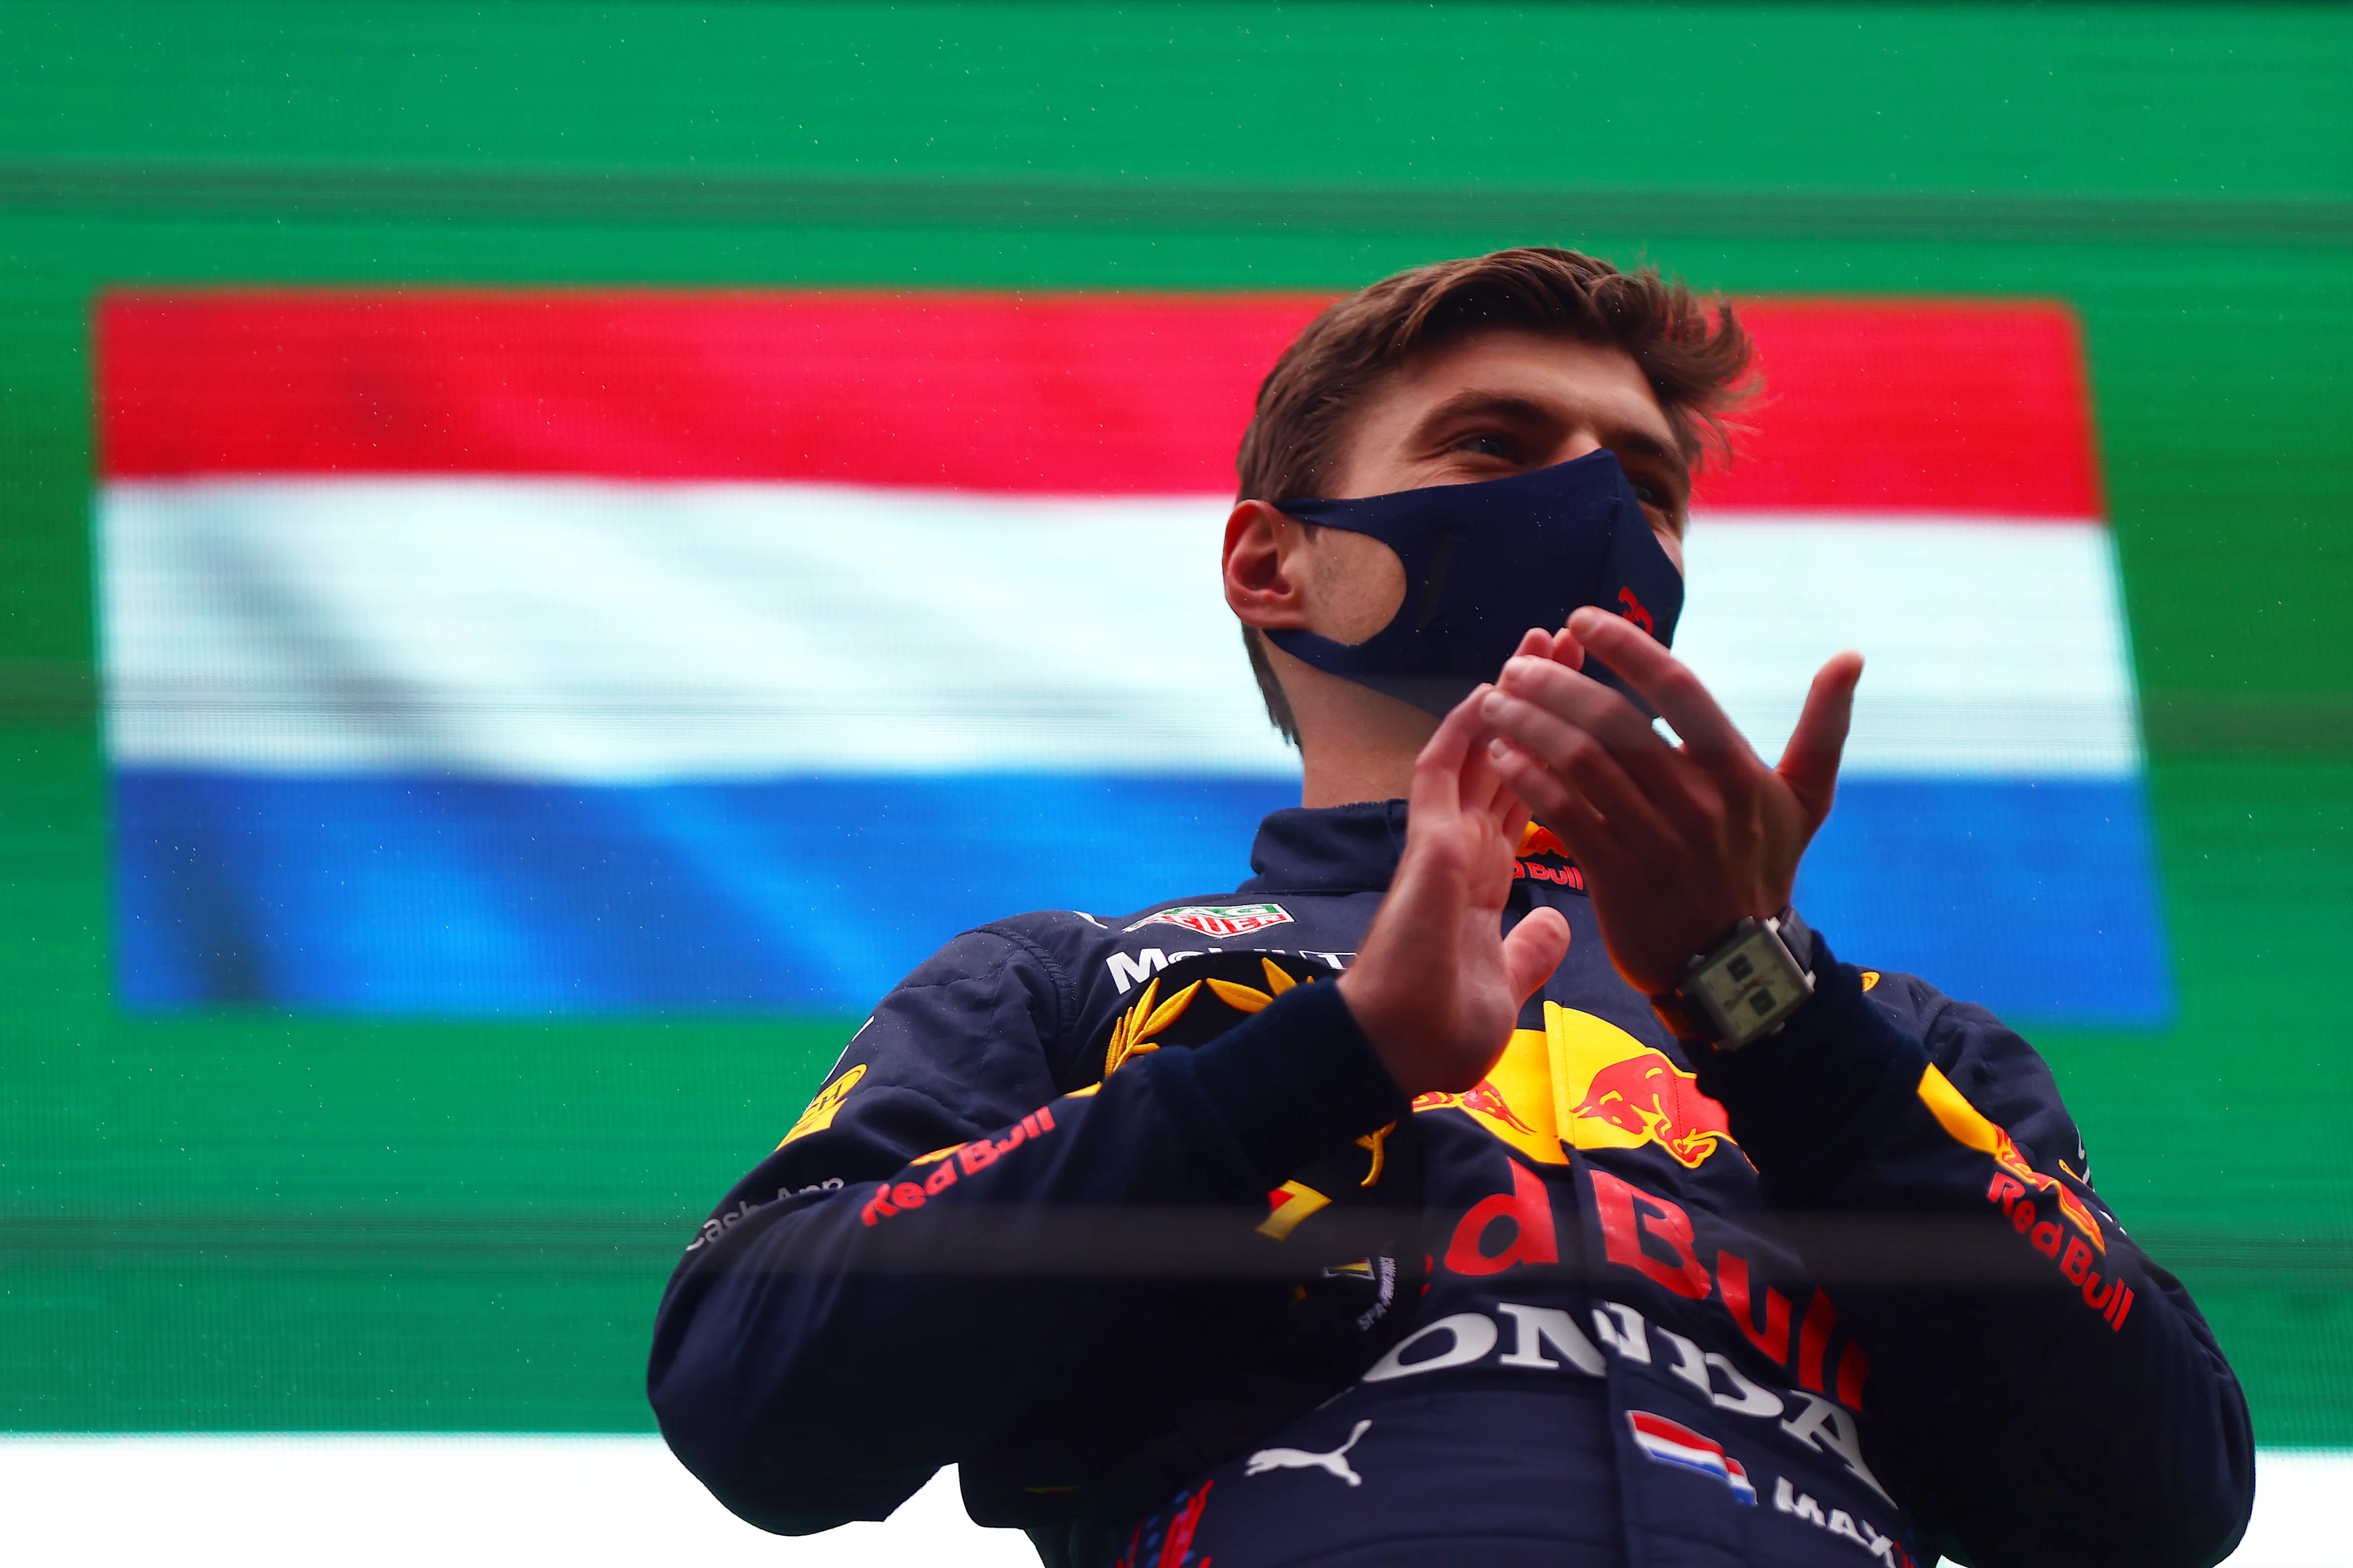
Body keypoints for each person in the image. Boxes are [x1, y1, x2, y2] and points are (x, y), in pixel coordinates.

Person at [648, 248, 2253, 1568]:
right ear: (1274, 565)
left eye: (1642, 482)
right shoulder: (1072, 979)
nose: (1594, 515)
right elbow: (756, 1388)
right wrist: (1326, 1058)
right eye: (1492, 447)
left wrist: (1759, 1002)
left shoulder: (1901, 1040)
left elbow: (2164, 1497)